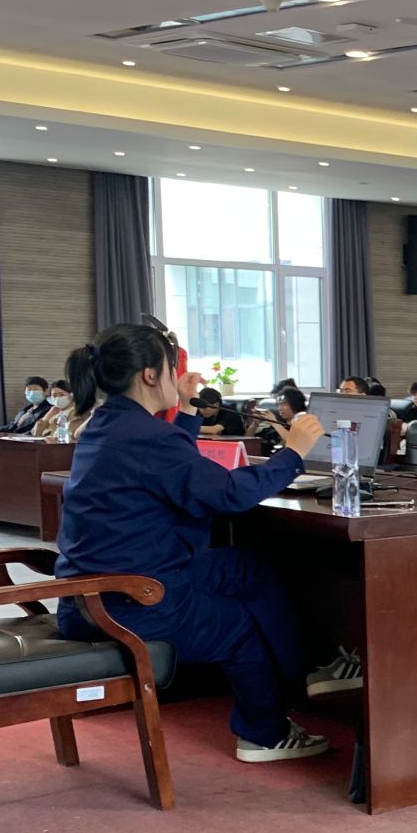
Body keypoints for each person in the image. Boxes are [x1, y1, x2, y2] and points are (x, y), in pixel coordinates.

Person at [53, 323, 344, 762]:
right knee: (239, 627)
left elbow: (167, 464)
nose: (177, 377)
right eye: (171, 369)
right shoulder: (148, 437)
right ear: (150, 375)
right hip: (133, 602)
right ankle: (263, 734)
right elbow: (227, 494)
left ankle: (314, 667)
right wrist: (293, 454)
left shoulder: (110, 424)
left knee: (244, 566)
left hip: (91, 595)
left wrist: (187, 412)